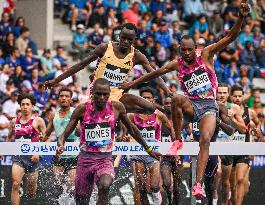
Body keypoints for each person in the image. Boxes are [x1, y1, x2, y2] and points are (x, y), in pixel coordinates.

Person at [120, 1, 250, 199]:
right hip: (192, 105)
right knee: (177, 98)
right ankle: (178, 140)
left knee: (205, 140)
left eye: (189, 50)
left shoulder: (205, 54)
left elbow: (230, 37)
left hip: (209, 106)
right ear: (179, 49)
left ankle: (198, 186)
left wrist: (240, 17)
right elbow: (154, 73)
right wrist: (131, 84)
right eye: (183, 50)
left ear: (194, 48)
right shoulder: (178, 63)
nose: (187, 54)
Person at [56, 78, 160, 205]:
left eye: (105, 94)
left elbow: (133, 130)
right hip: (85, 160)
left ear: (109, 93)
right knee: (82, 200)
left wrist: (148, 149)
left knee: (105, 185)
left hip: (104, 159)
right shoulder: (82, 109)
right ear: (92, 93)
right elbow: (64, 135)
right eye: (98, 94)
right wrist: (61, 145)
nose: (101, 97)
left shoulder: (117, 107)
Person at [44, 23, 171, 114]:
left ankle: (120, 112)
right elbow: (80, 65)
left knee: (150, 108)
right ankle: (114, 112)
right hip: (99, 92)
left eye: (129, 39)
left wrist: (167, 92)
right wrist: (57, 80)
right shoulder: (104, 48)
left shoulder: (137, 56)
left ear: (134, 40)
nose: (126, 41)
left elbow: (154, 74)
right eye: (123, 38)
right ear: (119, 36)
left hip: (117, 92)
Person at [128, 87, 174, 205]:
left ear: (154, 99)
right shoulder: (132, 116)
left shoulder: (159, 115)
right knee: (140, 186)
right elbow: (125, 133)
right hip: (138, 152)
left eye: (149, 98)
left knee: (154, 185)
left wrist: (175, 145)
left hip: (154, 153)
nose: (146, 100)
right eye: (144, 97)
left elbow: (171, 130)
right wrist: (126, 138)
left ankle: (156, 197)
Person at [0, 93, 46, 205]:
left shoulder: (38, 121)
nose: (25, 107)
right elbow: (9, 137)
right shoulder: (13, 121)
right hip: (18, 158)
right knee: (15, 184)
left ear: (32, 106)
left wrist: (38, 153)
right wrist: (3, 151)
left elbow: (45, 137)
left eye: (27, 104)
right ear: (20, 106)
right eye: (23, 104)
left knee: (31, 192)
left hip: (33, 159)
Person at [229, 85, 264, 205]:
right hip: (228, 150)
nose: (238, 98)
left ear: (243, 97)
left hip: (243, 150)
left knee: (240, 179)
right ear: (230, 96)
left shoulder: (250, 112)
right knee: (231, 184)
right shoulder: (226, 110)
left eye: (240, 96)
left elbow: (258, 125)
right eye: (235, 96)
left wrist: (255, 141)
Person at [43, 87, 79, 198]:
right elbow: (46, 134)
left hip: (74, 153)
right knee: (57, 186)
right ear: (58, 99)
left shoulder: (76, 112)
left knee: (72, 187)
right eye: (61, 96)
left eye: (67, 96)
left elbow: (81, 133)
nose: (64, 98)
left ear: (71, 100)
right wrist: (38, 143)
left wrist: (78, 129)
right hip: (59, 153)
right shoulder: (54, 115)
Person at [216, 83, 246, 205]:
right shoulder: (209, 106)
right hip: (212, 146)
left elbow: (243, 129)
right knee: (217, 173)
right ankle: (213, 200)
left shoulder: (234, 108)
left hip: (227, 147)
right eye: (219, 92)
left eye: (224, 93)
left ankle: (224, 203)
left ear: (228, 94)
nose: (222, 95)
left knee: (225, 182)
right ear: (215, 93)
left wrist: (232, 119)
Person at [160, 96, 182, 205]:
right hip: (165, 157)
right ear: (163, 105)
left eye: (171, 103)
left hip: (179, 155)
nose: (169, 105)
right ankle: (169, 201)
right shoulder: (160, 120)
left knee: (177, 186)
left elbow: (190, 130)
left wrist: (191, 135)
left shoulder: (180, 118)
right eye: (167, 103)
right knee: (166, 183)